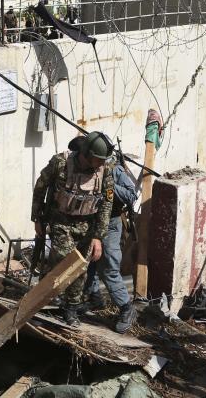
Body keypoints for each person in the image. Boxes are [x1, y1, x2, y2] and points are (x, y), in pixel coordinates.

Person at [31, 131, 114, 326]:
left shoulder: (105, 169)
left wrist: (98, 237)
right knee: (65, 257)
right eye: (98, 159)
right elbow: (40, 187)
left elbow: (107, 203)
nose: (101, 163)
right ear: (86, 154)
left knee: (80, 267)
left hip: (87, 224)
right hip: (61, 220)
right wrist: (37, 217)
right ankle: (47, 292)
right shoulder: (60, 163)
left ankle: (71, 308)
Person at [78, 144, 139, 333]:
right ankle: (94, 297)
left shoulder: (114, 169)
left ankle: (126, 308)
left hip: (111, 222)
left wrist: (109, 189)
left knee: (109, 267)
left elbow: (131, 195)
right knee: (89, 262)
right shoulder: (85, 165)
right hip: (90, 219)